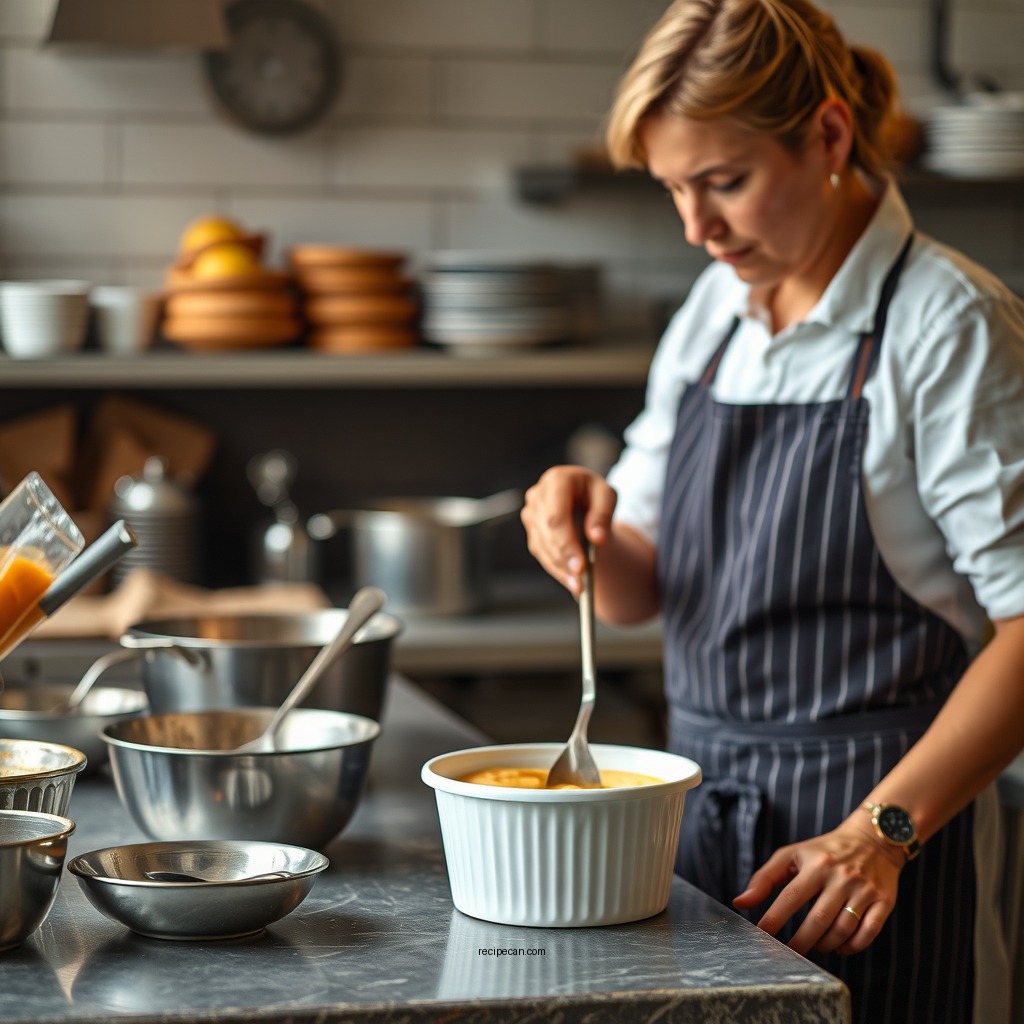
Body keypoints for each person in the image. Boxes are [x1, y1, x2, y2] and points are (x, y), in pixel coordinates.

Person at [520, 2, 1024, 1022]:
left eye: (724, 182)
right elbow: (635, 589)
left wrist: (878, 834)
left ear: (829, 136)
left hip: (874, 866)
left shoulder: (946, 323)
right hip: (700, 841)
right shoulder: (714, 313)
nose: (696, 228)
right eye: (672, 189)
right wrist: (579, 530)